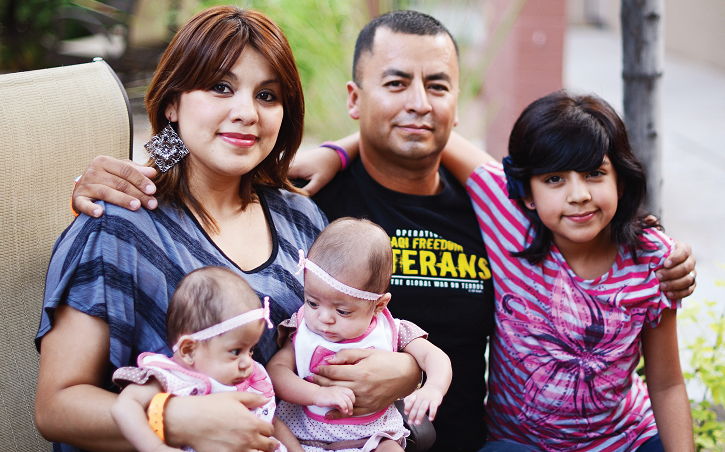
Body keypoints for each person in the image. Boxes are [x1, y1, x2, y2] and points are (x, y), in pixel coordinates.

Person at [68, 10, 697, 452]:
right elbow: (212, 151)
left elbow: (575, 194)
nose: (418, 102)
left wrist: (655, 247)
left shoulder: (495, 210)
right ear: (353, 97)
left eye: (438, 86)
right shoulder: (316, 202)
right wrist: (154, 158)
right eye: (395, 83)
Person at [35, 7, 418, 452]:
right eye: (221, 87)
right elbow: (55, 408)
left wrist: (406, 371)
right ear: (173, 102)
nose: (247, 112)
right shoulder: (119, 225)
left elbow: (356, 329)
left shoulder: (303, 219)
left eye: (268, 96)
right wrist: (174, 419)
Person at [439, 91, 694, 451]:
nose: (578, 195)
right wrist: (336, 154)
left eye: (594, 173)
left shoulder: (652, 260)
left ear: (619, 180)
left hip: (626, 440)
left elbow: (667, 383)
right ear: (526, 191)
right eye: (554, 179)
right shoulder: (507, 215)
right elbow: (429, 128)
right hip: (520, 444)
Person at [267, 218, 452, 452]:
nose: (324, 318)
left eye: (342, 311)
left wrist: (433, 387)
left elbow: (434, 357)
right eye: (312, 302)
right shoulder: (302, 326)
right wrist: (317, 394)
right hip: (306, 434)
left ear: (378, 306)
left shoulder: (392, 329)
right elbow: (276, 371)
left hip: (374, 437)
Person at [110, 267, 300, 452]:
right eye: (235, 351)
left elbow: (272, 421)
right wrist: (156, 447)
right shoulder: (168, 378)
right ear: (189, 350)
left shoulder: (250, 380)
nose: (248, 363)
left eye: (251, 350)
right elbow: (125, 407)